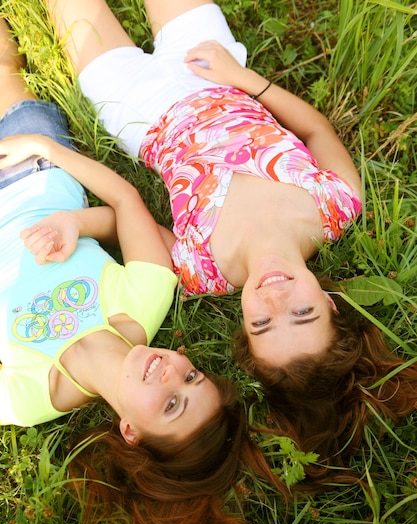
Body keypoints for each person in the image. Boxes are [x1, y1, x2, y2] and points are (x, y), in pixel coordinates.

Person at [42, 0, 417, 476]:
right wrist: (243, 79)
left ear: (244, 329)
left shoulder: (202, 271)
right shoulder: (337, 205)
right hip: (215, 71)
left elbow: (127, 223)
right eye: (302, 313)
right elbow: (314, 128)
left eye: (262, 325)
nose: (274, 298)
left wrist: (75, 223)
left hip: (137, 111)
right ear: (331, 304)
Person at [0, 18, 294, 524]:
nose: (172, 373)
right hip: (30, 171)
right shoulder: (145, 302)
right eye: (192, 380)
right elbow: (128, 204)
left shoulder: (26, 398)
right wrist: (50, 154)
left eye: (170, 404)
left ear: (130, 432)